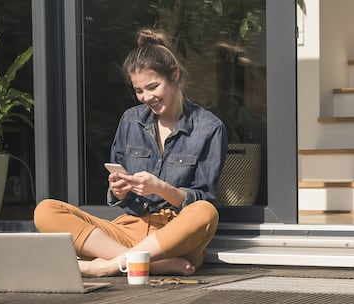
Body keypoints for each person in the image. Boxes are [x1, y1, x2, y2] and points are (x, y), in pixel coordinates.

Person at [34, 28, 228, 277]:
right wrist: (118, 190)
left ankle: (108, 265)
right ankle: (146, 264)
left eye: (153, 87)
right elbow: (121, 197)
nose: (146, 97)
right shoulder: (130, 120)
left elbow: (202, 199)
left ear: (175, 76)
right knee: (46, 210)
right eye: (138, 90)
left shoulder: (209, 127)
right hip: (129, 230)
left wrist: (159, 187)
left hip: (173, 237)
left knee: (205, 212)